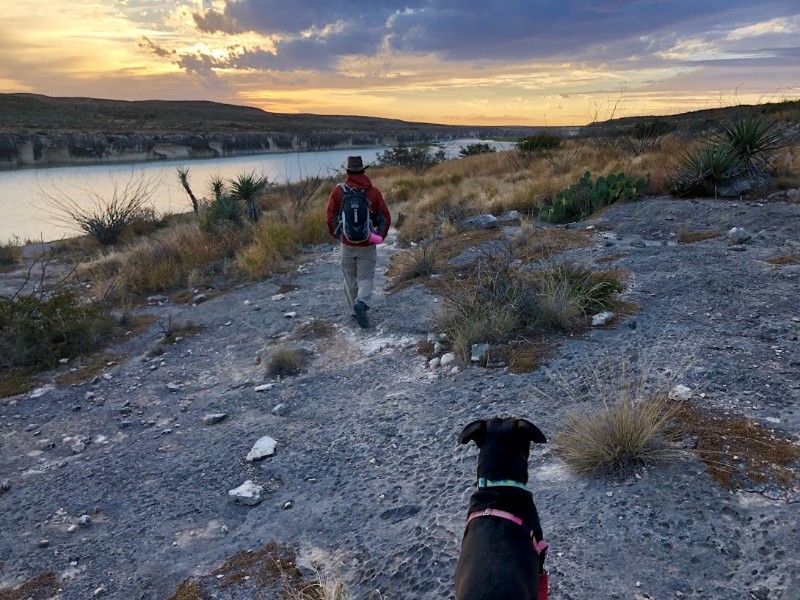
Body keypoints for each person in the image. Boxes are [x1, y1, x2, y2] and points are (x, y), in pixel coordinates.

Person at [326, 156, 391, 328]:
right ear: (363, 171)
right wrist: (378, 237)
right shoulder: (374, 192)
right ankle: (361, 302)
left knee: (349, 278)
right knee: (365, 277)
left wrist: (340, 236)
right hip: (367, 243)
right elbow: (386, 218)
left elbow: (330, 217)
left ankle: (355, 313)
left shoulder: (338, 191)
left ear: (348, 172)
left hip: (347, 244)